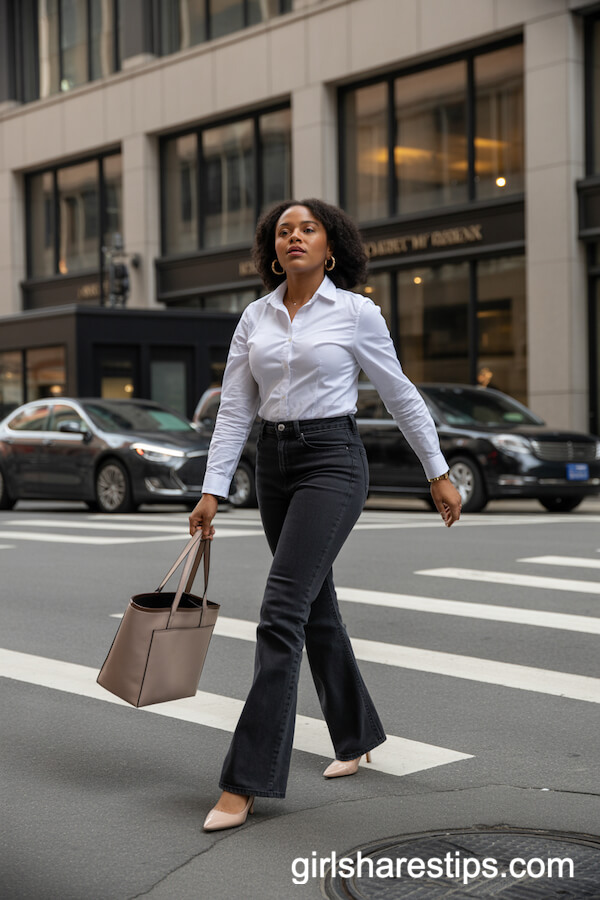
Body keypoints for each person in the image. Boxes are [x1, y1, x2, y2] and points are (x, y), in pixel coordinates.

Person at [189, 199, 461, 832]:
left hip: (333, 462)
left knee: (281, 610)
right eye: (283, 231)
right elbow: (234, 410)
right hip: (275, 467)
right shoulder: (254, 318)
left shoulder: (356, 312)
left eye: (307, 228)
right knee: (315, 607)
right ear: (271, 248)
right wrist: (213, 489)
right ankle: (356, 734)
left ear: (330, 244)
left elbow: (399, 393)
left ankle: (244, 781)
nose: (295, 237)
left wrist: (438, 470)